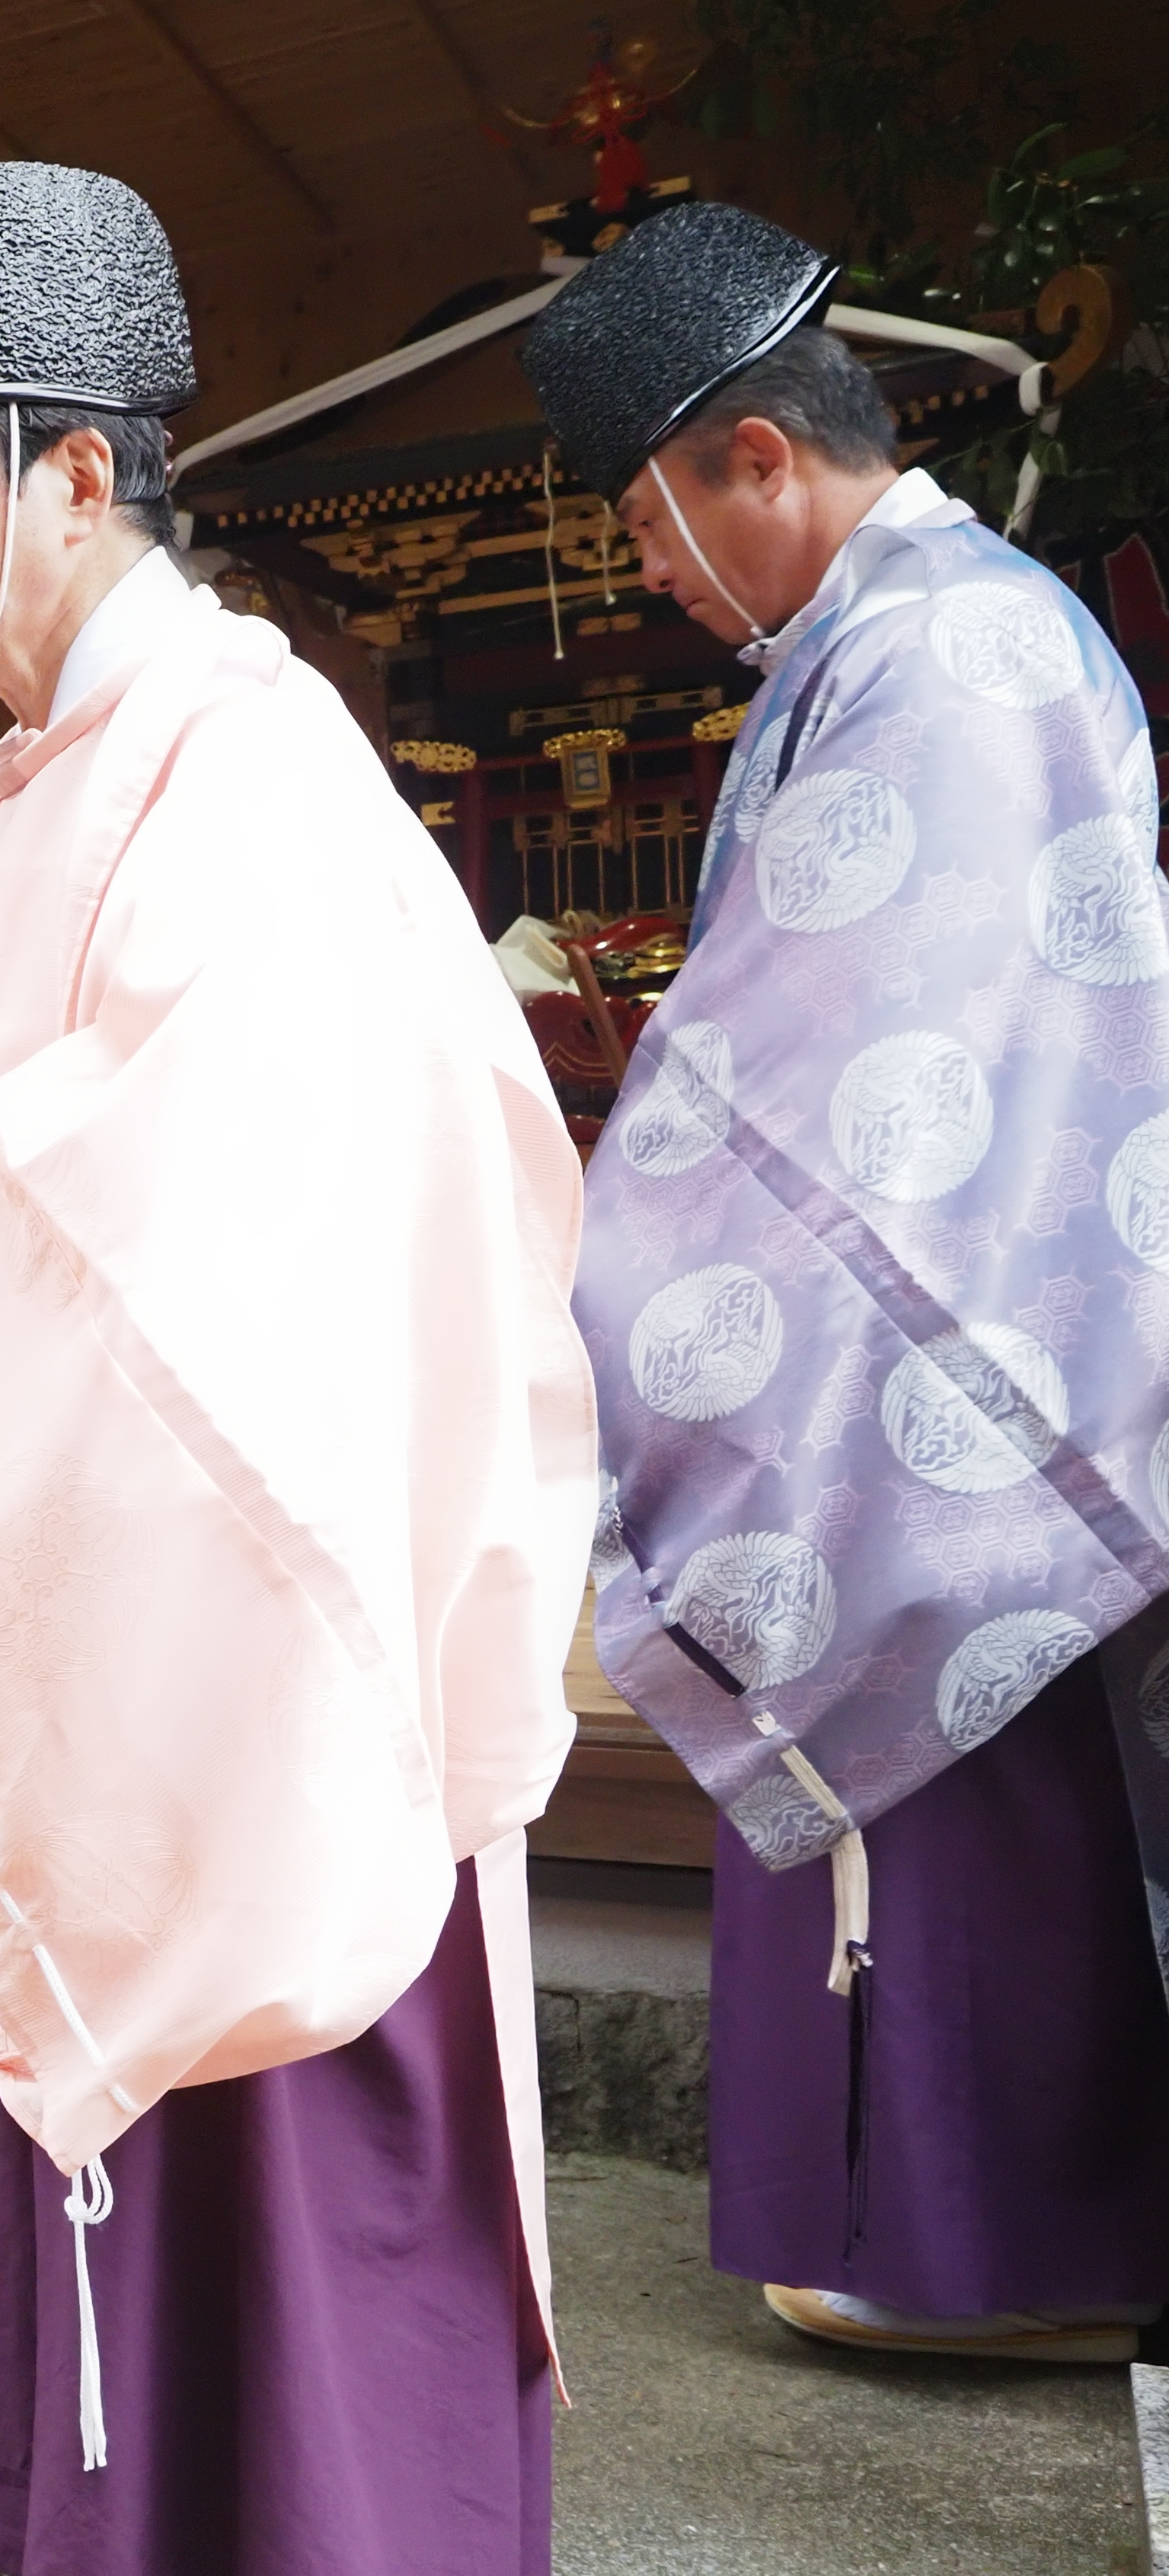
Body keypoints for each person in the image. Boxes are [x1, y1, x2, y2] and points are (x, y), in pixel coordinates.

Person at [0, 164, 589, 2573]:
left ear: (77, 467)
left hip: (251, 1645)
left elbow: (205, 1206)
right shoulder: (50, 778)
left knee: (257, 2065)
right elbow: (16, 1156)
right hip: (109, 1615)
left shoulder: (243, 759)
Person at [522, 201, 1169, 2366]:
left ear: (753, 463)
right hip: (962, 1303)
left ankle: (1006, 2245)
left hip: (973, 1331)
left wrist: (608, 1224)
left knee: (963, 1731)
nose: (638, 565)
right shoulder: (895, 634)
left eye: (643, 514)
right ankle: (948, 2223)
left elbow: (867, 1068)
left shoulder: (951, 652)